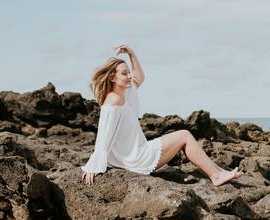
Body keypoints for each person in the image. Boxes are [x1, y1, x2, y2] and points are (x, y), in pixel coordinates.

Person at [81, 44, 242, 186]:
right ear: (112, 77)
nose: (129, 76)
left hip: (135, 154)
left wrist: (131, 53)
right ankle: (216, 175)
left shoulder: (124, 93)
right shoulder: (113, 100)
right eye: (124, 73)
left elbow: (139, 77)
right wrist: (94, 165)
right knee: (184, 135)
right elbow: (104, 135)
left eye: (128, 72)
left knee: (184, 135)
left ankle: (219, 172)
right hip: (136, 158)